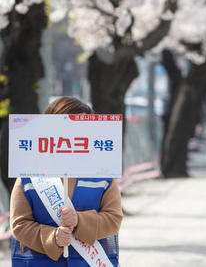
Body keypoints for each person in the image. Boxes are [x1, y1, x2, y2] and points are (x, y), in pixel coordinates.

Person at [10, 96, 122, 266]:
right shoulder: (29, 175)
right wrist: (52, 238)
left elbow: (113, 219)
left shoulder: (103, 174)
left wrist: (79, 220)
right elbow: (19, 224)